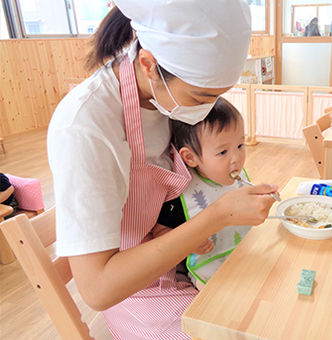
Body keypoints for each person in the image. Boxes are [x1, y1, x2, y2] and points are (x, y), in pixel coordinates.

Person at [47, 1, 278, 338]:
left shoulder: (165, 98)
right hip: (137, 289)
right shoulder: (86, 127)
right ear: (148, 64)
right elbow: (98, 289)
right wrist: (217, 216)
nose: (205, 111)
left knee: (271, 304)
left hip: (184, 258)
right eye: (201, 98)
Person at [154, 97, 252, 286]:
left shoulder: (237, 177)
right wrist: (189, 242)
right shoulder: (181, 193)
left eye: (240, 145)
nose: (236, 158)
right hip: (211, 268)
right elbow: (159, 233)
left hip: (245, 253)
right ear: (190, 158)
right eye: (223, 152)